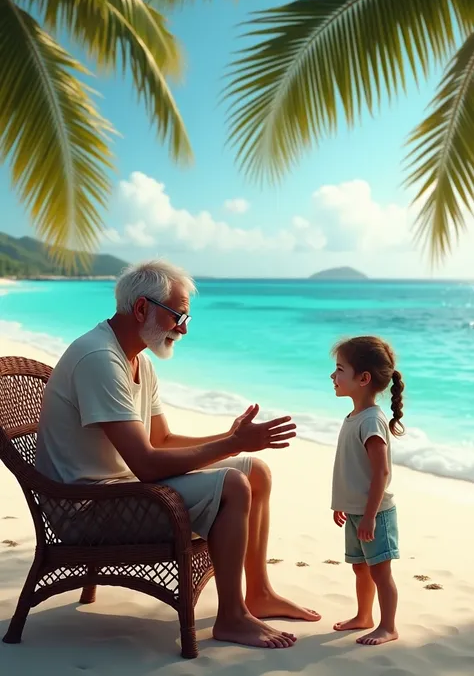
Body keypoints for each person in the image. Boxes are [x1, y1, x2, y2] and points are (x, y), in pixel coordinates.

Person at [36, 259, 320, 650]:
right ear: (141, 309)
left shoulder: (138, 358)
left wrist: (232, 437)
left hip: (123, 494)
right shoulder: (99, 359)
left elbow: (163, 439)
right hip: (88, 510)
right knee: (234, 483)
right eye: (178, 316)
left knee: (256, 471)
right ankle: (232, 617)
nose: (183, 328)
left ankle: (258, 592)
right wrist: (233, 445)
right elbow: (148, 464)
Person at [330, 336, 405, 646]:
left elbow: (381, 473)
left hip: (375, 514)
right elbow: (352, 468)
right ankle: (364, 616)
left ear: (363, 379)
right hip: (356, 511)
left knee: (380, 572)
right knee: (360, 567)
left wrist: (371, 517)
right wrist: (342, 503)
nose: (333, 377)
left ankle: (388, 626)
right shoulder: (354, 417)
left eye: (339, 370)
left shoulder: (372, 421)